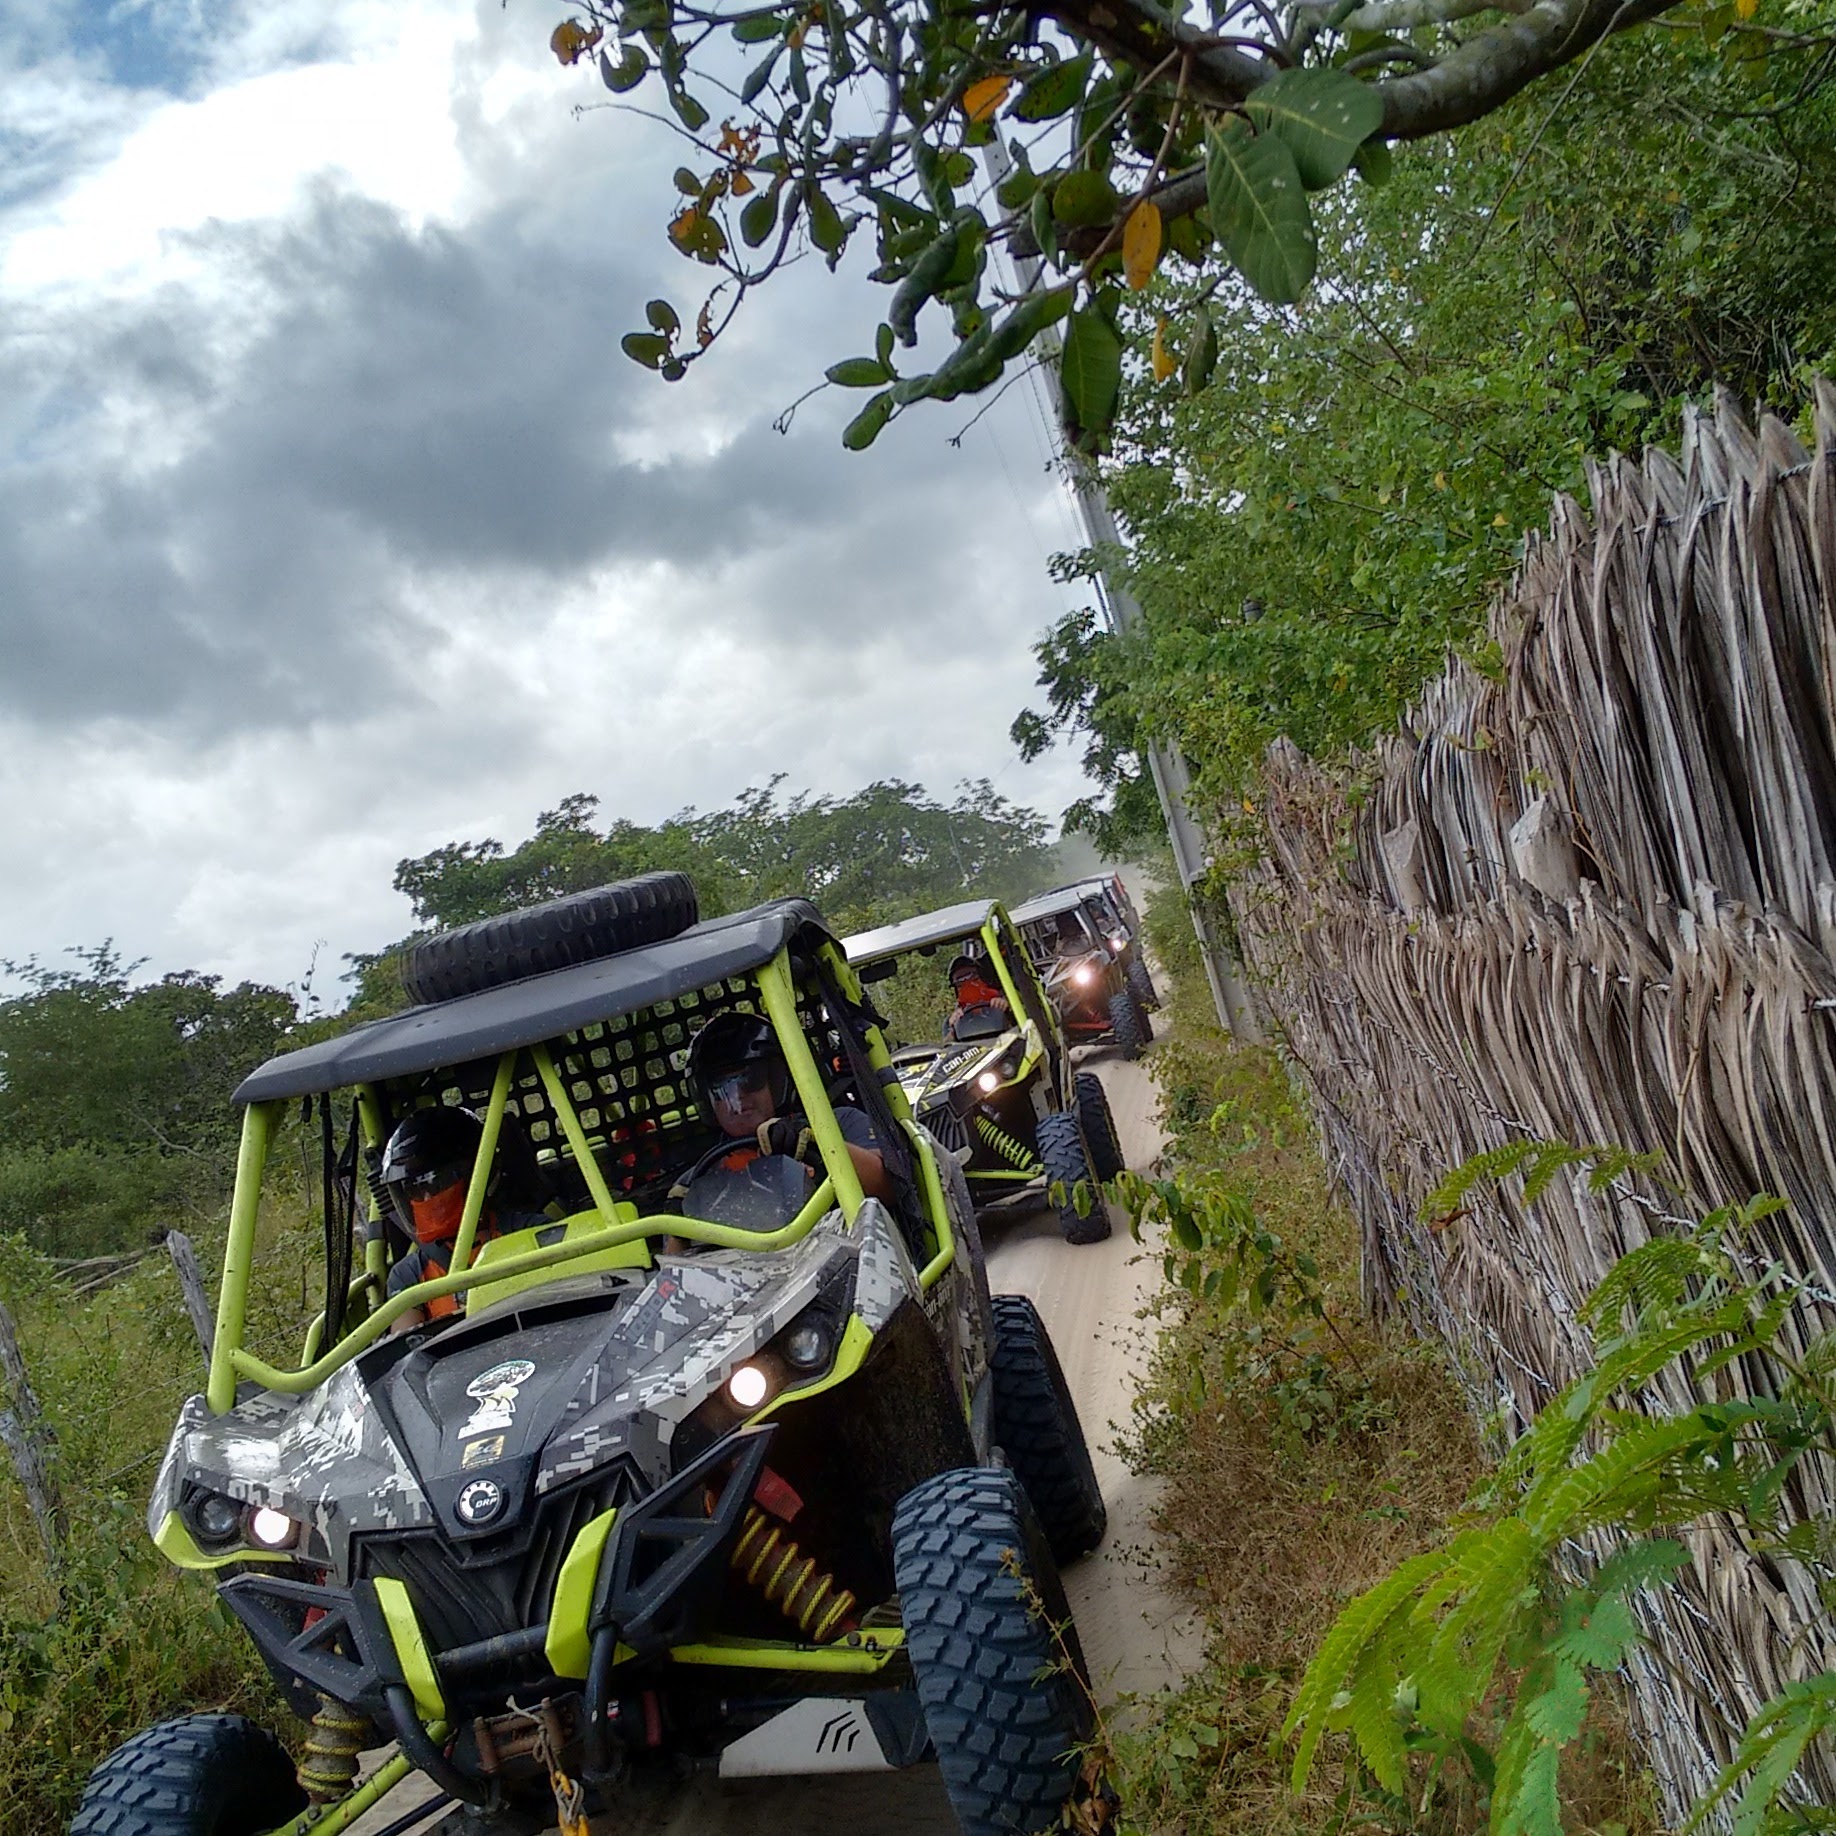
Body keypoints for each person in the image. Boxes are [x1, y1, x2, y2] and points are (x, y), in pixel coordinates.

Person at [682, 1009, 891, 1205]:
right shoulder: (702, 1175)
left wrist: (818, 1145)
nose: (738, 1095)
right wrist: (678, 1212)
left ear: (776, 1081)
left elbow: (889, 1186)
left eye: (751, 1079)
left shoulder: (839, 1123)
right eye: (720, 1088)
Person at [377, 1107, 550, 1331]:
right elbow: (409, 1344)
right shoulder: (407, 1276)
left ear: (478, 1174)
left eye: (437, 1182)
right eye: (415, 1190)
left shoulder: (534, 1235)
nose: (427, 1198)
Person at [945, 954, 1009, 1040]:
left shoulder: (1006, 1001)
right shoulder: (951, 1021)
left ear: (984, 979)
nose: (969, 987)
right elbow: (945, 1046)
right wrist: (954, 1029)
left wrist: (1007, 1008)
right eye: (960, 985)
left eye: (974, 979)